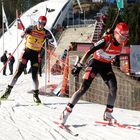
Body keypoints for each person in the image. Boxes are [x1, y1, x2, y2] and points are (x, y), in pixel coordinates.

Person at [59, 22, 129, 125]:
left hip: (106, 66)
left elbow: (115, 50)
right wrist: (79, 65)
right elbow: (89, 52)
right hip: (95, 63)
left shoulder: (123, 41)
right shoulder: (105, 40)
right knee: (83, 88)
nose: (124, 39)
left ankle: (108, 114)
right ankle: (66, 111)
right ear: (116, 33)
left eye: (126, 36)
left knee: (113, 87)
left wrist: (115, 58)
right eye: (122, 36)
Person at [0, 16, 53, 103]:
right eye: (40, 23)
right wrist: (25, 32)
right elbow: (21, 36)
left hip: (35, 55)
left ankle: (36, 95)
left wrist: (48, 37)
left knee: (34, 75)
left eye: (43, 24)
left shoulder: (45, 32)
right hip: (26, 52)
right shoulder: (31, 28)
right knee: (18, 72)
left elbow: (51, 40)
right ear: (37, 22)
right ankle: (7, 92)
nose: (41, 25)